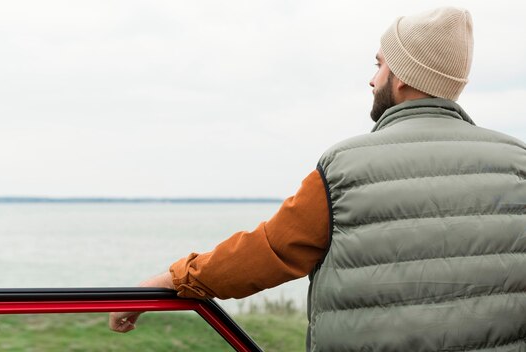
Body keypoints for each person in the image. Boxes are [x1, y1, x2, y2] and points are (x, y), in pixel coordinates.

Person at [110, 7, 526, 351]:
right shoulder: (518, 164)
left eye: (379, 64)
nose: (371, 78)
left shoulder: (345, 166)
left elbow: (269, 250)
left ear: (400, 78)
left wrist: (171, 280)